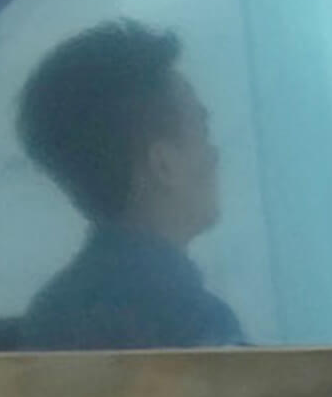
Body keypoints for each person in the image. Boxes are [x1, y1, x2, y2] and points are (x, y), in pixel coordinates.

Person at [13, 20, 244, 351]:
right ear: (163, 164)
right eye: (202, 131)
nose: (215, 155)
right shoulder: (197, 324)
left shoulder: (49, 313)